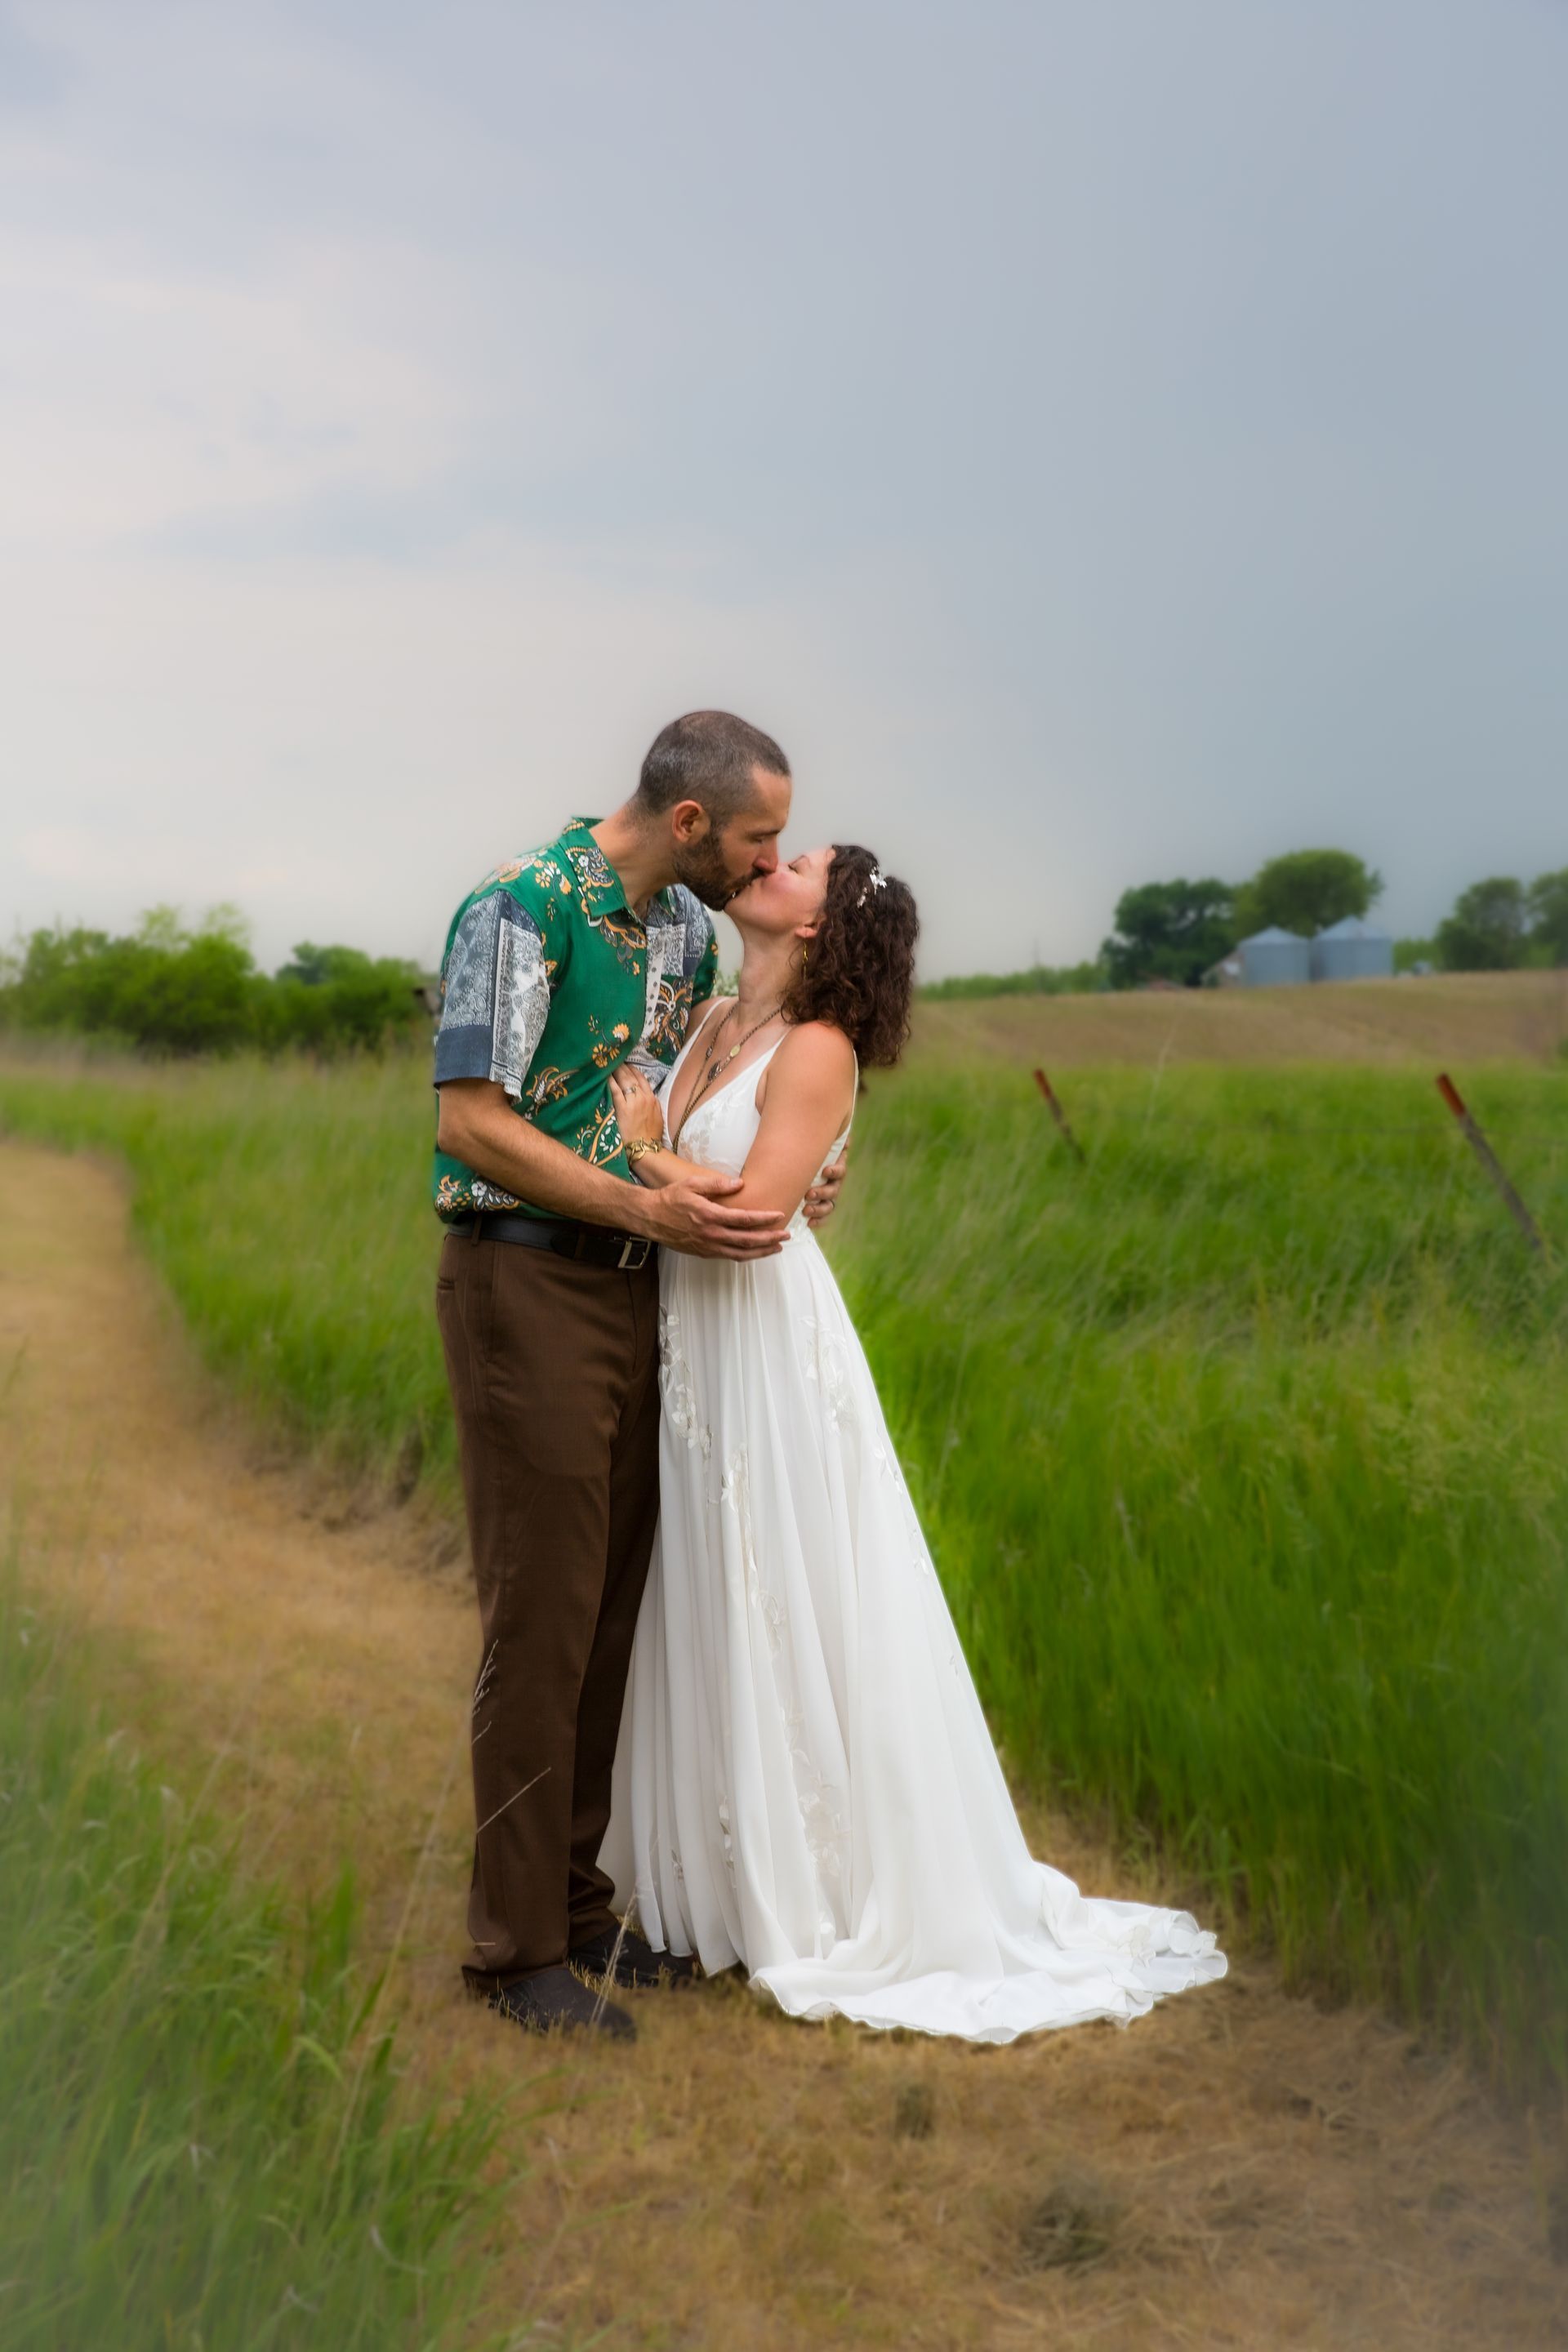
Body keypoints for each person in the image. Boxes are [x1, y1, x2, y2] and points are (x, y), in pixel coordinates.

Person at [602, 843, 1227, 2041]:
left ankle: (815, 1879)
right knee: (700, 1584)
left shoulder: (820, 1047)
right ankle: (704, 1871)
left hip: (761, 1337)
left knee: (779, 1578)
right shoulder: (721, 1015)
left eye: (796, 865)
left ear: (825, 925)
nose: (767, 865)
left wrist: (644, 1154)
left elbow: (762, 1210)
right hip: (687, 1333)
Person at [431, 711, 845, 2044]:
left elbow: (653, 1110)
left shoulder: (676, 937)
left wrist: (750, 1184)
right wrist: (641, 1208)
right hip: (526, 1280)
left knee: (614, 1608)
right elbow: (472, 1124)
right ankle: (513, 1954)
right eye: (757, 839)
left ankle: (579, 1905)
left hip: (640, 1287)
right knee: (541, 1613)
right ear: (688, 825)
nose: (765, 861)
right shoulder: (516, 910)